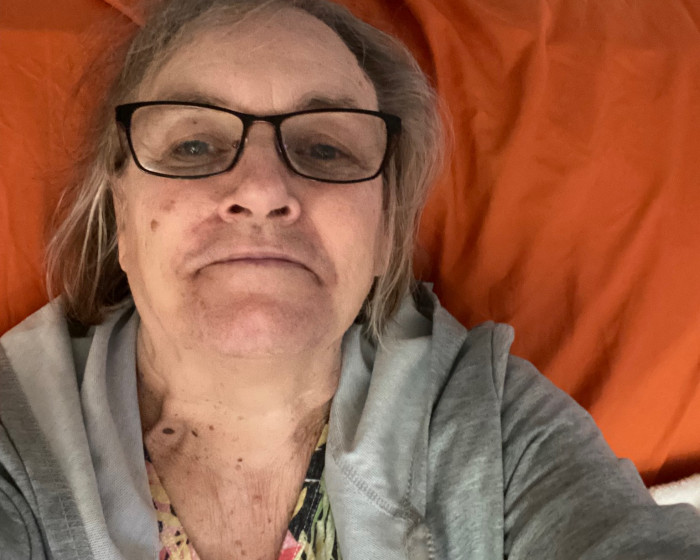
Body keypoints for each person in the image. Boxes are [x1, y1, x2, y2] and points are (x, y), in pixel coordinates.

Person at [0, 0, 699, 559]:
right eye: (194, 145)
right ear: (120, 217)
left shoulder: (494, 430)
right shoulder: (13, 437)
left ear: (384, 232)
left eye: (324, 149)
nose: (262, 190)